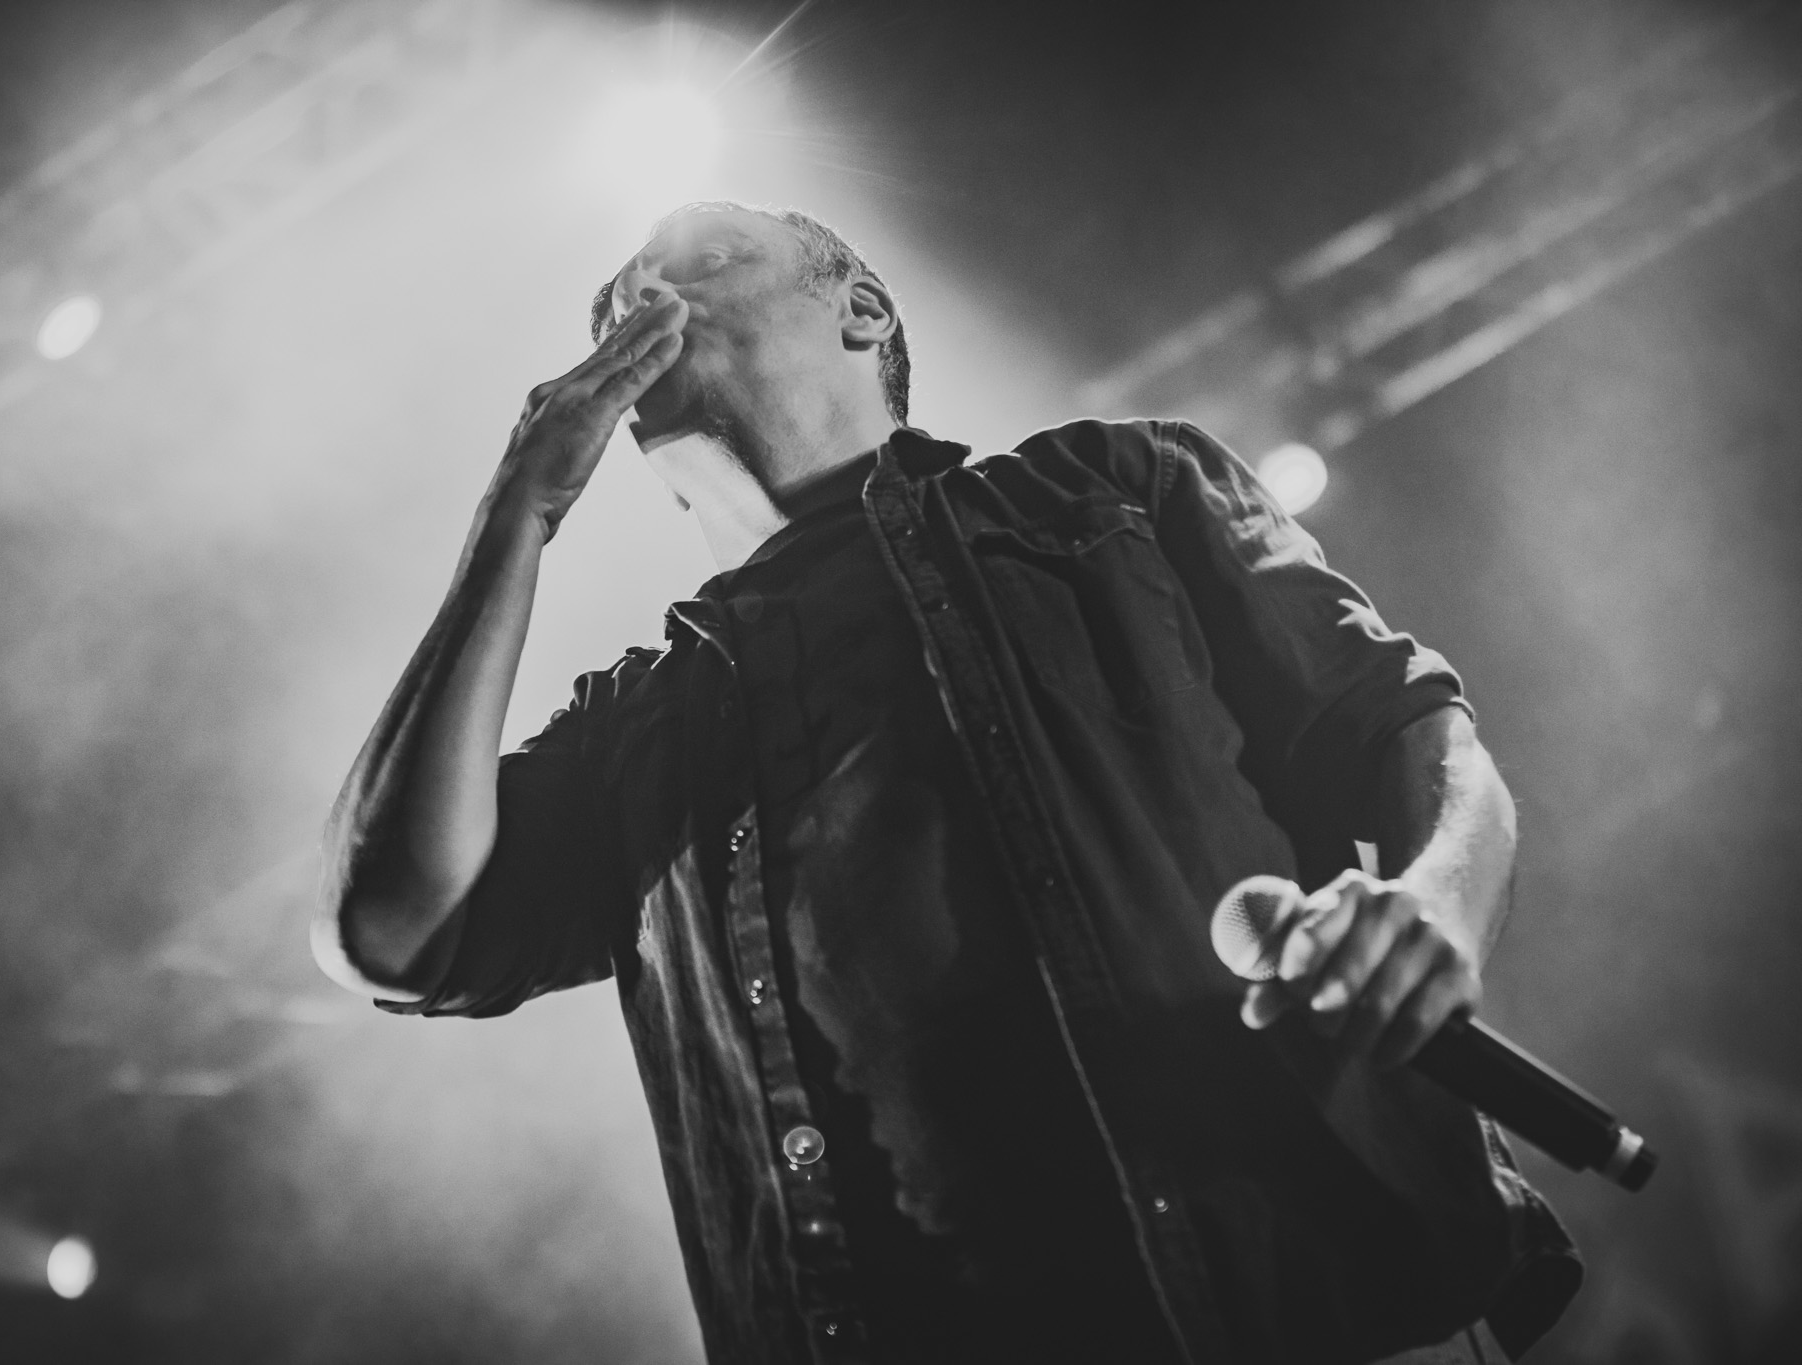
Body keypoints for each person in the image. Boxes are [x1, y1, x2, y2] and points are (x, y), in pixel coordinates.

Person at [311, 201, 1579, 1364]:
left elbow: (1399, 720)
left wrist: (1435, 906)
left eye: (703, 262)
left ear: (860, 310)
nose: (642, 300)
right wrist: (515, 513)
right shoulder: (634, 727)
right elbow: (386, 928)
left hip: (1321, 1307)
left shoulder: (1111, 489)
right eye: (612, 305)